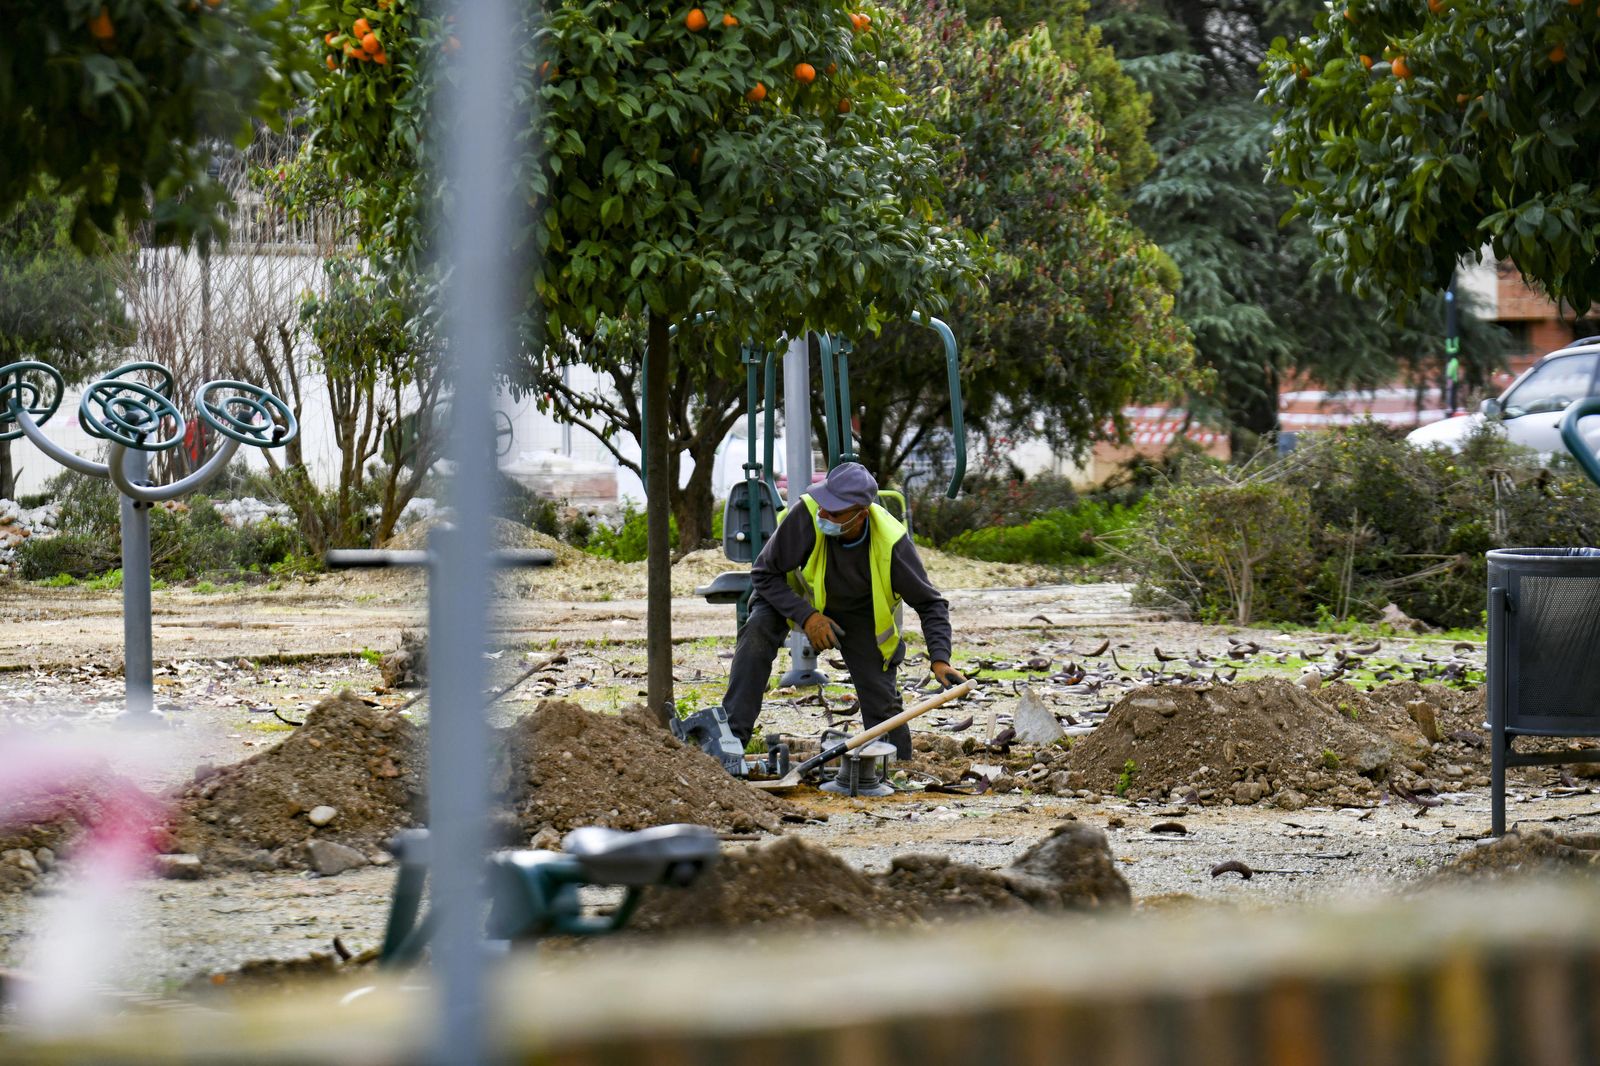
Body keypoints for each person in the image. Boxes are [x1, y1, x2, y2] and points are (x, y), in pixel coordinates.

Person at [722, 461, 965, 760]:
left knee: (882, 702)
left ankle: (896, 766)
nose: (823, 513)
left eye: (834, 512)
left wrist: (940, 659)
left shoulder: (892, 543)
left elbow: (931, 603)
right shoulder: (808, 514)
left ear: (861, 514)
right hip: (789, 599)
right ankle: (729, 744)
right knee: (756, 636)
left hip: (857, 614)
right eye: (823, 505)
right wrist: (808, 616)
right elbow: (763, 573)